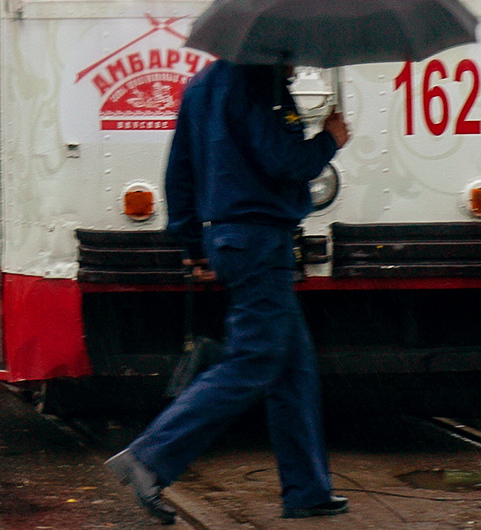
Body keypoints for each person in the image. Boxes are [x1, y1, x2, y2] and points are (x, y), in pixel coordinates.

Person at [107, 60, 350, 523]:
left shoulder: (200, 86)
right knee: (253, 361)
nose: (297, 62)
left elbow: (179, 171)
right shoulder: (260, 86)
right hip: (260, 240)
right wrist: (328, 140)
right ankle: (149, 459)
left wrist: (191, 245)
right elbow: (285, 161)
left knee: (292, 367)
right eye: (291, 53)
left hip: (230, 237)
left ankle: (307, 489)